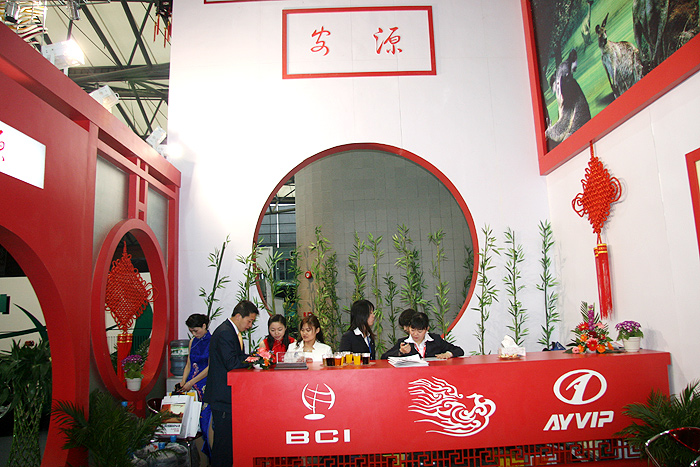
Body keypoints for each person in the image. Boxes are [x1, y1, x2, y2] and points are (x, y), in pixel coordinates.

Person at [203, 300, 258, 467]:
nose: (250, 325)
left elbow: (238, 357)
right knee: (223, 445)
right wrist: (254, 361)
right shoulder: (225, 333)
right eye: (249, 321)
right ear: (239, 316)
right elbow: (232, 362)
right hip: (223, 397)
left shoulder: (230, 331)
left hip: (227, 397)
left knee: (228, 443)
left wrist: (255, 357)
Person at [178, 313, 212, 460]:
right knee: (191, 423)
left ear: (204, 326)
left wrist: (191, 382)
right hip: (190, 385)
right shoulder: (193, 341)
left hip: (204, 384)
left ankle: (209, 457)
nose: (194, 334)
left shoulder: (212, 341)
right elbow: (188, 364)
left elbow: (210, 367)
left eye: (196, 330)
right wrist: (183, 381)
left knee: (205, 422)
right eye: (191, 331)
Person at [381, 311, 464, 359]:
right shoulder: (403, 343)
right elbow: (384, 357)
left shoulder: (435, 340)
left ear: (427, 329)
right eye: (412, 330)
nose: (415, 334)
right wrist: (400, 352)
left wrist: (448, 354)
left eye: (420, 331)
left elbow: (459, 350)